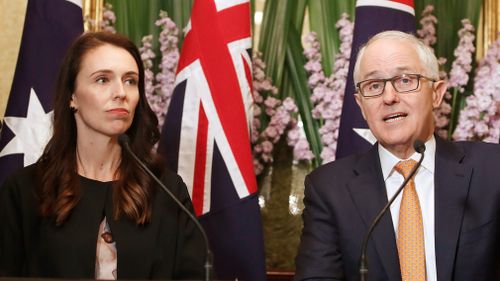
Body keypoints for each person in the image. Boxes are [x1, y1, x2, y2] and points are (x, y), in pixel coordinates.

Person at [294, 30, 500, 281]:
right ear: (360, 105)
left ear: (436, 93)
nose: (389, 97)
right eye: (374, 85)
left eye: (405, 80)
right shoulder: (329, 189)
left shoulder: (491, 170)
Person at [0, 31, 205, 280]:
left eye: (130, 81)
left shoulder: (167, 190)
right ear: (72, 96)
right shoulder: (24, 189)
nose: (121, 93)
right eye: (102, 80)